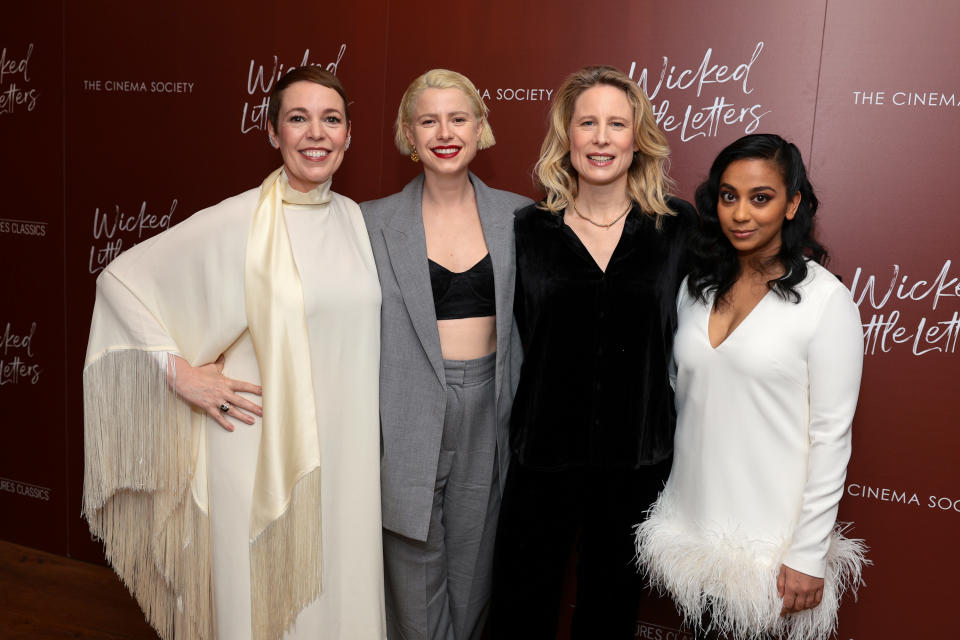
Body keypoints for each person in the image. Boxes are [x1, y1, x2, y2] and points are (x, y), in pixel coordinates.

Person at [82, 67, 385, 640]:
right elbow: (119, 281)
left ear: (349, 135)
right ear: (273, 132)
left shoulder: (353, 220)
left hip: (345, 457)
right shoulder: (239, 220)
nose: (315, 133)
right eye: (298, 118)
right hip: (254, 453)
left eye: (331, 119)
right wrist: (181, 375)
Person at [488, 65, 697, 639]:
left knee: (610, 613)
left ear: (638, 138)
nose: (602, 138)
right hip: (541, 456)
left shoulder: (677, 228)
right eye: (588, 123)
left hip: (637, 460)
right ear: (568, 137)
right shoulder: (526, 229)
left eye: (616, 124)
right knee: (519, 610)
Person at [634, 134, 867, 640]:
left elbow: (831, 435)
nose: (741, 213)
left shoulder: (827, 303)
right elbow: (682, 395)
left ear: (793, 204)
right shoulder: (696, 288)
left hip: (769, 548)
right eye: (728, 196)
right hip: (693, 525)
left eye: (760, 197)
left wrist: (808, 553)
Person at [360, 69, 531, 640]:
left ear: (481, 126)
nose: (444, 131)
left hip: (490, 408)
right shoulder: (368, 223)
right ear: (409, 135)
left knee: (475, 568)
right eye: (427, 120)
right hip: (403, 413)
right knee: (412, 569)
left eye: (458, 118)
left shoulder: (523, 217)